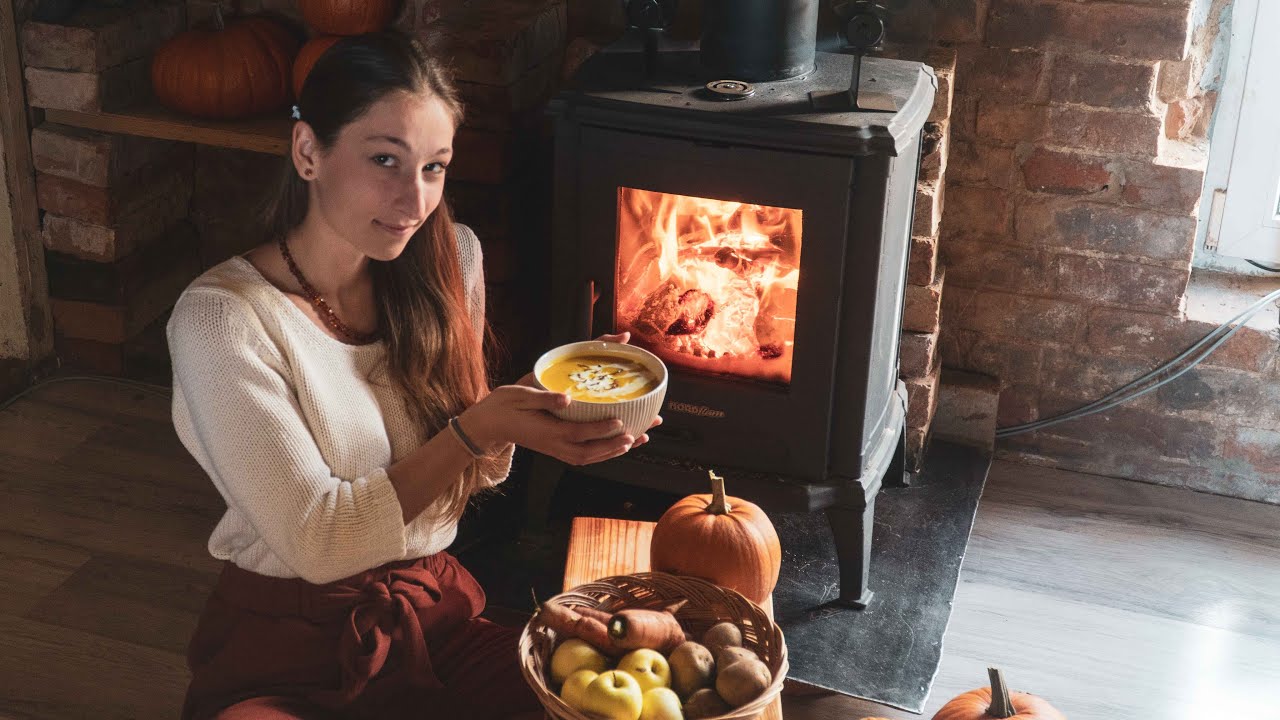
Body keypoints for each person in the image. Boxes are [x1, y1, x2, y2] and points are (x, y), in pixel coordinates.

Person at [166, 31, 657, 719]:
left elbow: (472, 476)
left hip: (432, 619)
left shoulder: (452, 259)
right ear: (308, 151)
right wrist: (476, 429)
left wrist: (538, 414)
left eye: (434, 167)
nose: (414, 199)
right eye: (385, 160)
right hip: (288, 645)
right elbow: (321, 543)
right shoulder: (222, 320)